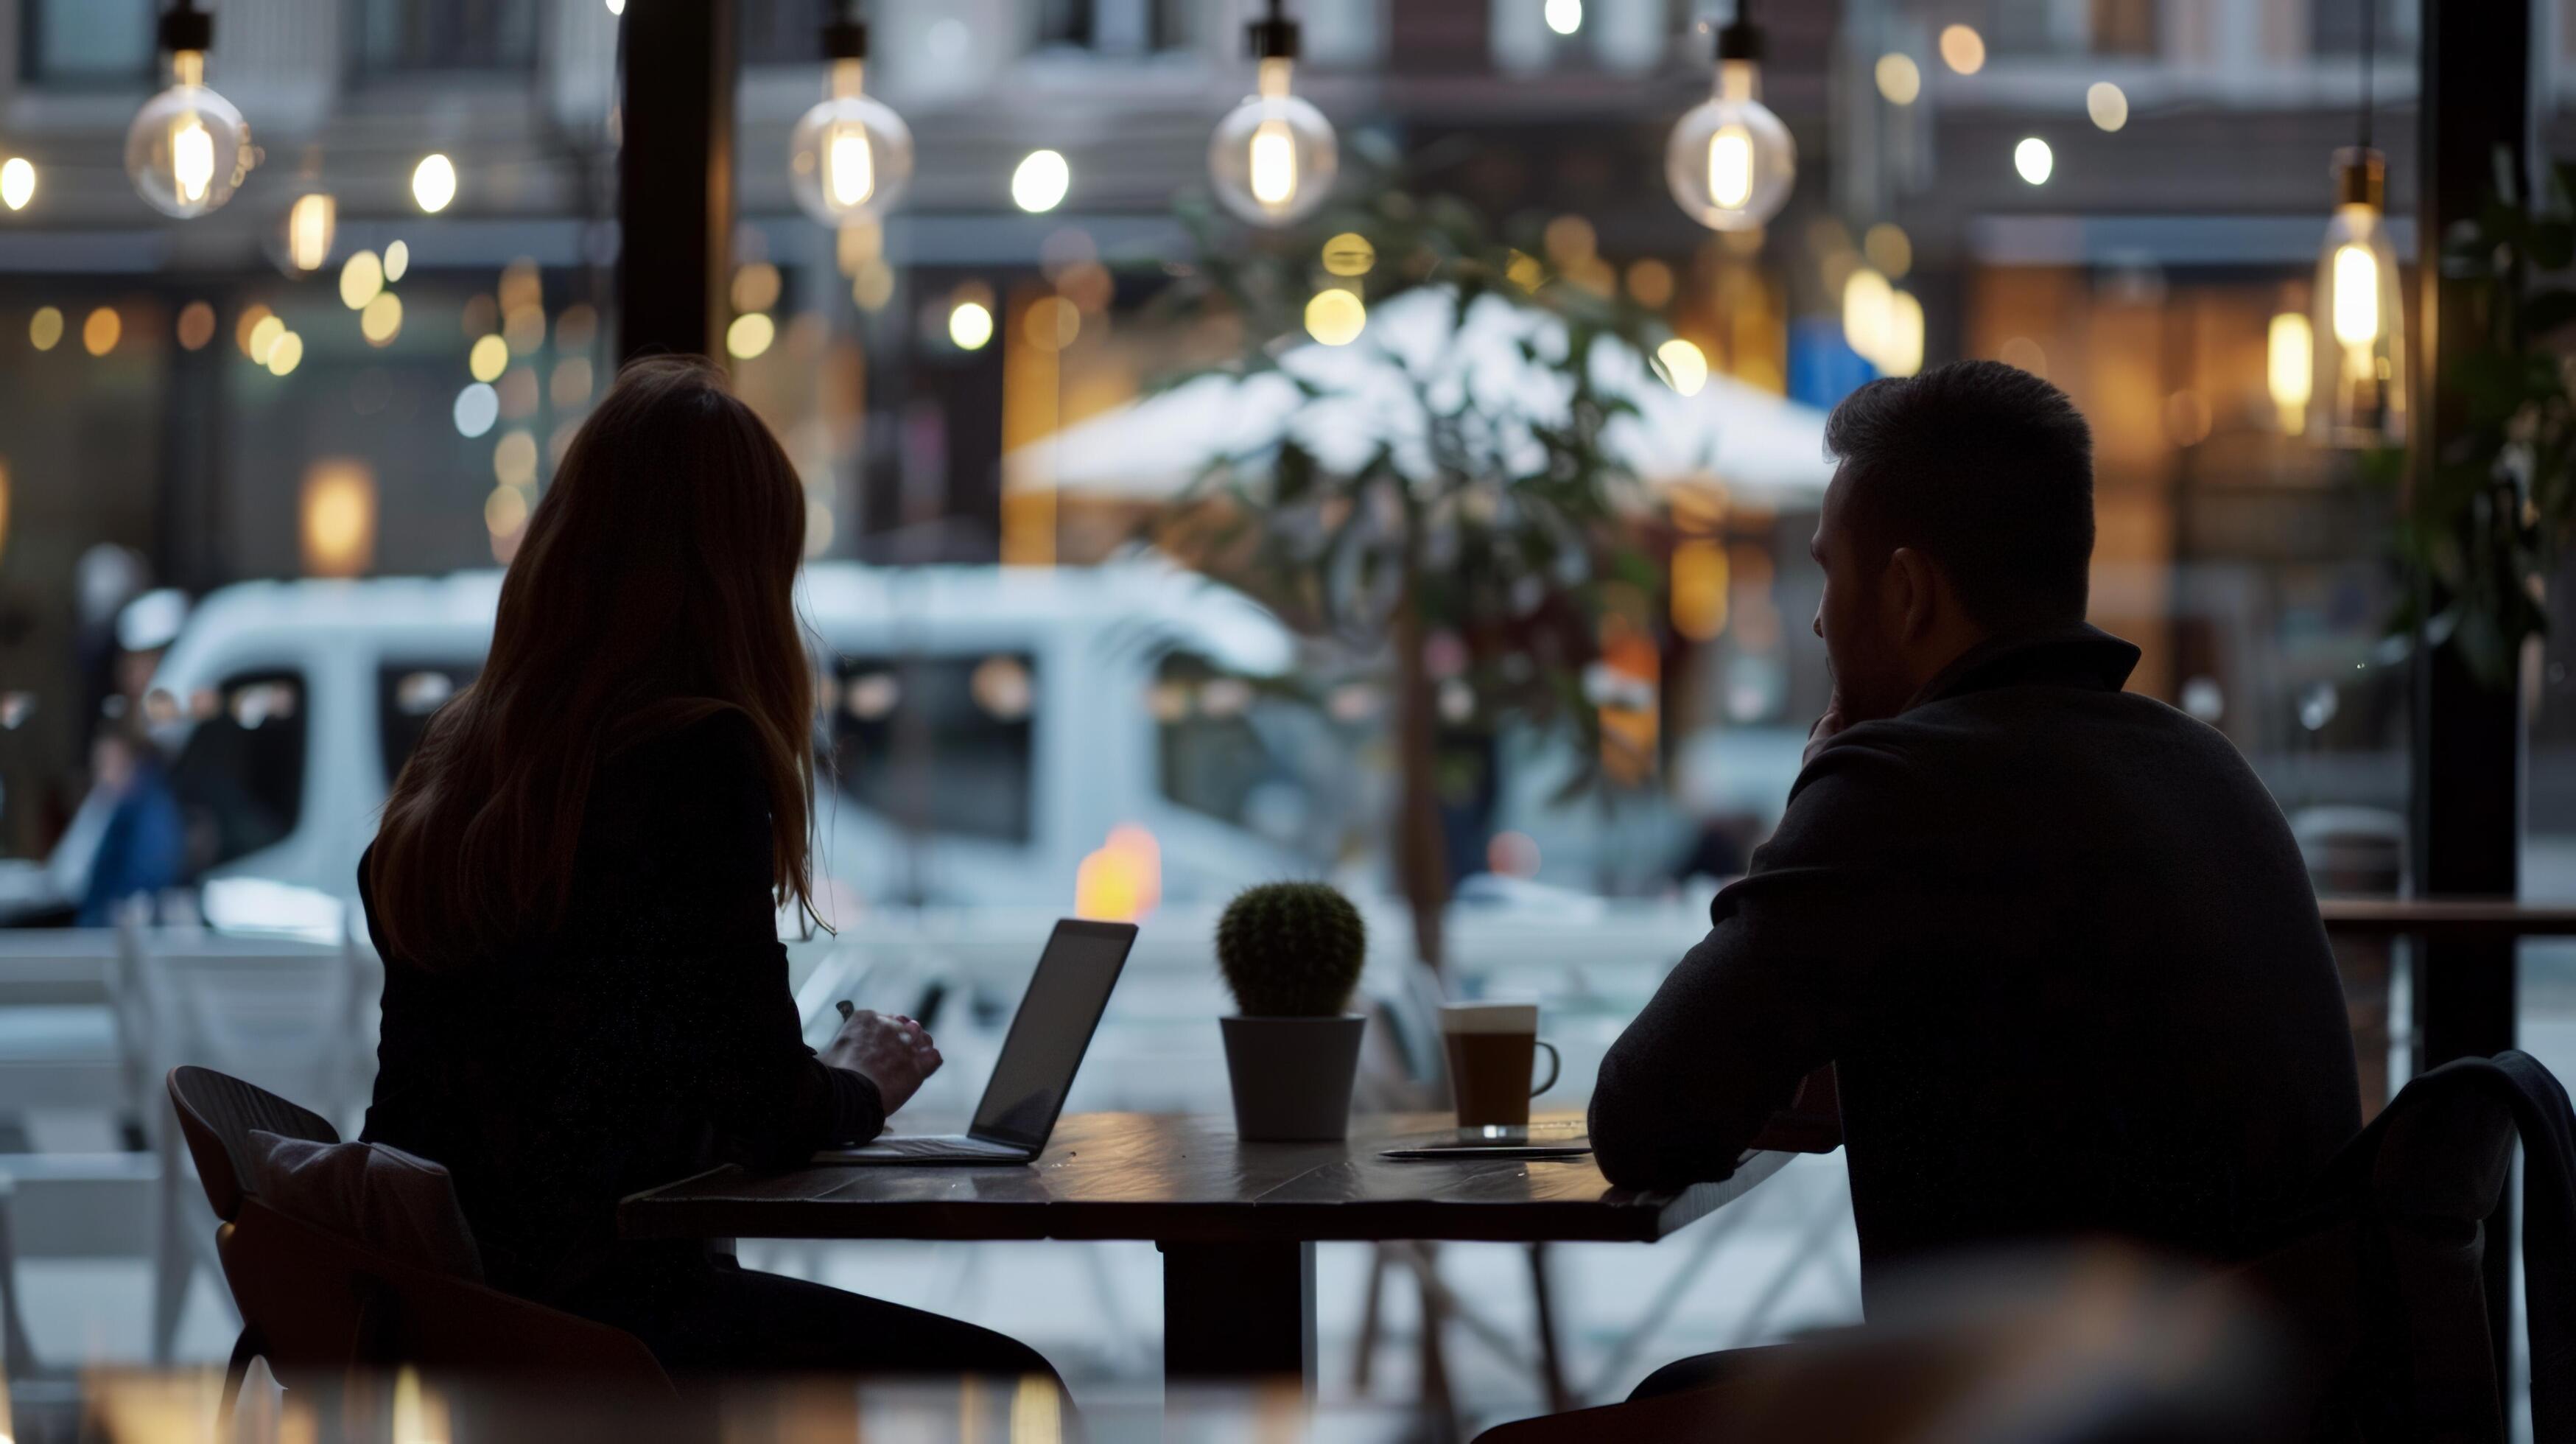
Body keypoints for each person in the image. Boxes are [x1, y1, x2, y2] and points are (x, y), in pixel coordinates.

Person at [1588, 361, 2361, 1395]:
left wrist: (1819, 788)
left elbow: (1643, 1118)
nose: (1819, 620)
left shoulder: (1905, 783)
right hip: (2251, 1391)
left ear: (1907, 592)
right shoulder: (2201, 763)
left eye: (1828, 573)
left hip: (2047, 1403)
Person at [359, 357, 1059, 1384]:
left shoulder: (461, 763)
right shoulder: (692, 760)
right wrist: (868, 1081)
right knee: (1015, 1395)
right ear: (739, 578)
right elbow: (762, 1111)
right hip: (606, 1330)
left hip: (445, 1321)